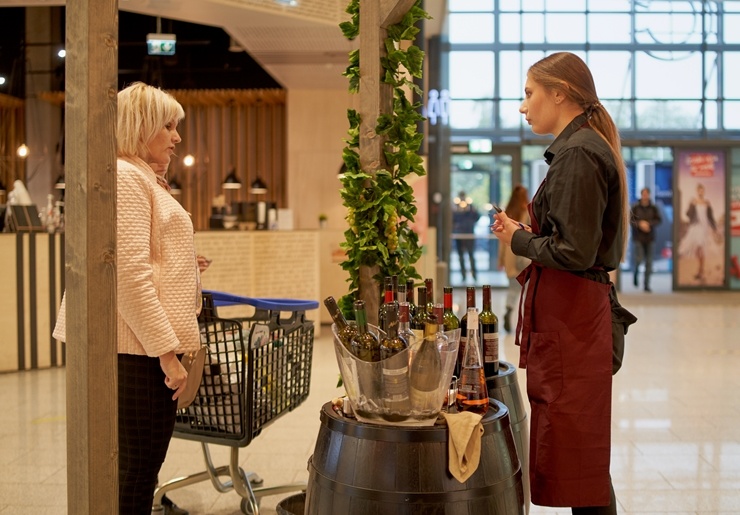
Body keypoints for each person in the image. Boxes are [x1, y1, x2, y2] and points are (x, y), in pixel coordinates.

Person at [491, 52, 634, 515]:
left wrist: (519, 238)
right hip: (573, 316)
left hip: (574, 320)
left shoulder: (578, 154)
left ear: (560, 93)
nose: (522, 105)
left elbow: (573, 251)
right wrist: (525, 237)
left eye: (529, 93)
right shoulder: (583, 149)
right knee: (581, 461)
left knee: (580, 463)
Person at [53, 82, 201, 515]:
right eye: (168, 126)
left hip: (137, 348)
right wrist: (168, 355)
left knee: (138, 471)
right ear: (140, 127)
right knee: (136, 474)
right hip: (135, 351)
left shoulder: (139, 176)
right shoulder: (127, 177)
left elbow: (141, 259)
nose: (177, 137)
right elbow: (127, 279)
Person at [497, 184, 531, 332]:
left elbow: (502, 242)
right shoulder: (528, 212)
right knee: (529, 291)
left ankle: (508, 311)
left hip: (510, 256)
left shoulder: (508, 213)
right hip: (524, 255)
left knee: (513, 289)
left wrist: (501, 260)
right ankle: (528, 322)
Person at [678, 183, 720, 283]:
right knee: (697, 249)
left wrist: (714, 228)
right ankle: (700, 269)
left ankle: (700, 271)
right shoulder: (693, 202)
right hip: (695, 228)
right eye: (699, 190)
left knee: (702, 248)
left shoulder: (707, 203)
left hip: (704, 228)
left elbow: (710, 217)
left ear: (703, 191)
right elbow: (688, 214)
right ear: (697, 191)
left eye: (702, 190)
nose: (701, 192)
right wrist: (692, 205)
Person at [630, 187, 662, 292]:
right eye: (643, 194)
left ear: (649, 195)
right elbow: (630, 220)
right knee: (639, 259)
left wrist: (649, 224)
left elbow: (658, 220)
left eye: (646, 194)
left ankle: (646, 284)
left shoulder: (653, 208)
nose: (645, 196)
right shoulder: (635, 207)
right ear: (641, 195)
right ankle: (635, 273)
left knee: (649, 262)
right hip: (638, 237)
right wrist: (640, 224)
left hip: (650, 238)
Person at [452, 191, 479, 282]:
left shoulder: (471, 207)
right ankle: (463, 275)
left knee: (471, 255)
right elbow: (452, 220)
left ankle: (474, 275)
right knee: (461, 256)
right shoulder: (455, 208)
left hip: (469, 234)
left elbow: (476, 217)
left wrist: (471, 209)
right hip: (459, 235)